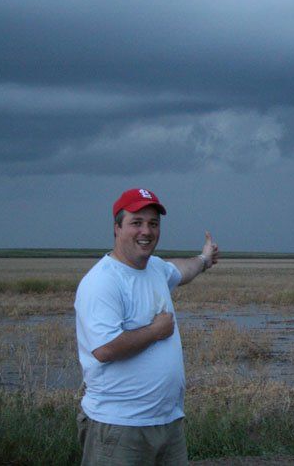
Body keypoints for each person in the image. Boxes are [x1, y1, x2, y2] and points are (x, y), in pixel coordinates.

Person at [74, 188, 219, 465]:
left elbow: (180, 270)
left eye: (153, 224)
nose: (146, 231)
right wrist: (155, 332)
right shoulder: (102, 281)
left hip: (168, 423)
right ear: (117, 228)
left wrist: (203, 260)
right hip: (120, 428)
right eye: (136, 222)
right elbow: (104, 349)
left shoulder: (155, 269)